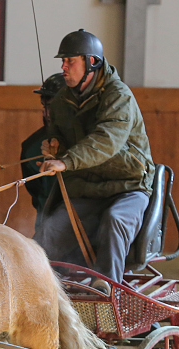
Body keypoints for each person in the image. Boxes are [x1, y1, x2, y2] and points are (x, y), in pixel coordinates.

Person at [35, 29, 154, 293]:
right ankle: (38, 289)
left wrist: (66, 162)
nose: (63, 68)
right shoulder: (62, 101)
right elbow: (56, 131)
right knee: (49, 231)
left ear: (92, 63)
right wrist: (53, 145)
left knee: (115, 219)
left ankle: (106, 287)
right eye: (62, 62)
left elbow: (106, 140)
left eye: (70, 61)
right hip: (88, 191)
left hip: (128, 187)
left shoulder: (119, 96)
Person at [20, 72, 65, 229]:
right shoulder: (31, 149)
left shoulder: (91, 140)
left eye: (53, 107)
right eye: (45, 106)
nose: (47, 113)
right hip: (49, 224)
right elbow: (37, 195)